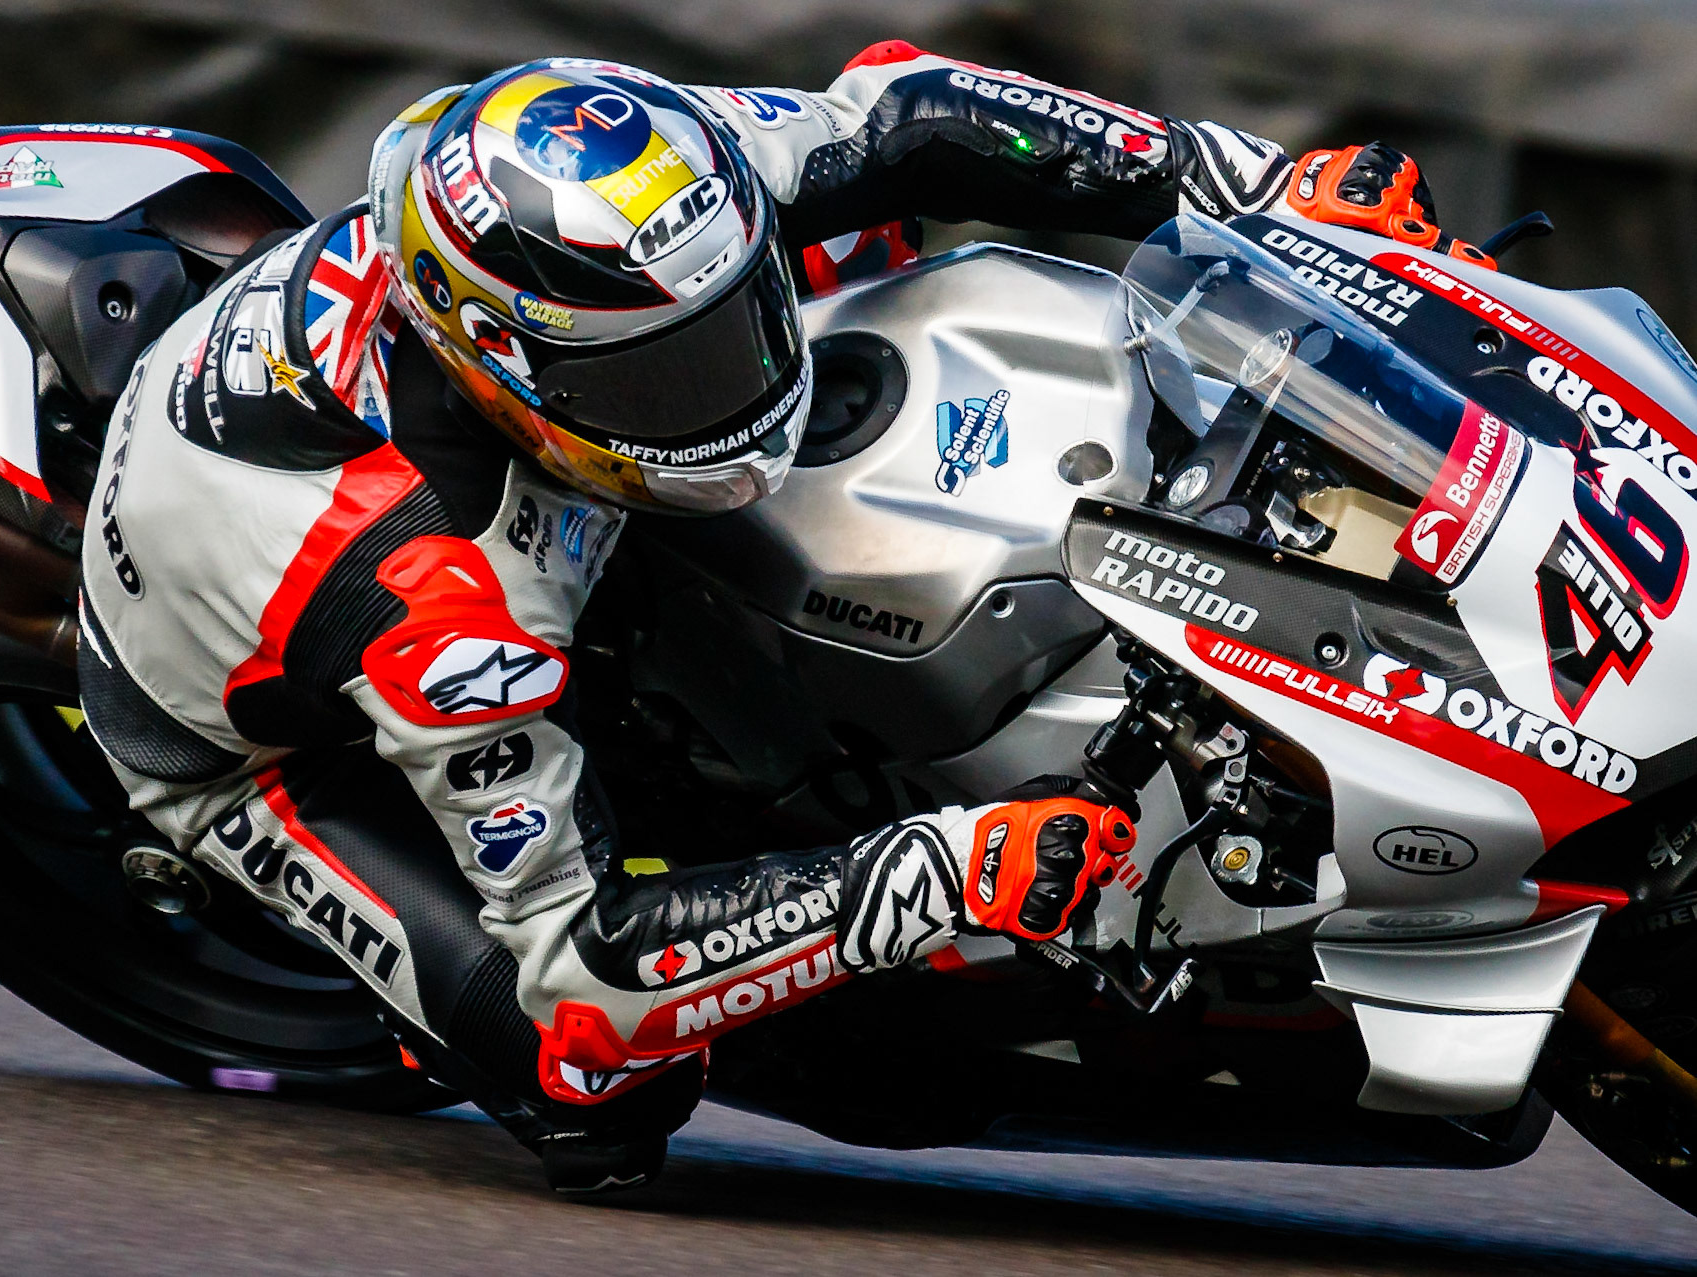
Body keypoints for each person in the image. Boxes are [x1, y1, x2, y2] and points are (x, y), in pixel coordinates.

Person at [77, 40, 1477, 1192]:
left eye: (737, 318)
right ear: (501, 368)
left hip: (502, 507)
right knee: (591, 1081)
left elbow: (905, 110)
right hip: (252, 740)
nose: (737, 387)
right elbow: (586, 970)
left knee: (863, 220)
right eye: (664, 377)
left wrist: (1251, 183)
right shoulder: (438, 601)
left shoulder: (661, 170)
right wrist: (943, 872)